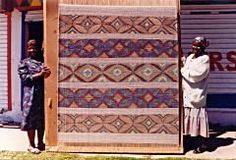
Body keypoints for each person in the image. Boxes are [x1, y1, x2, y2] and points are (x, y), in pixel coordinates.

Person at [18, 39, 51, 154]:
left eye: (34, 48)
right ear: (27, 49)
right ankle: (31, 145)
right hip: (30, 95)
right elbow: (25, 78)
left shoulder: (43, 62)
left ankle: (40, 143)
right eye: (30, 48)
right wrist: (40, 74)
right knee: (31, 120)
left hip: (42, 95)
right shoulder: (24, 63)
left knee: (41, 119)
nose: (32, 50)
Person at [181, 36, 210, 154]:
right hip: (188, 93)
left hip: (196, 93)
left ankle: (203, 144)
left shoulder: (205, 59)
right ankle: (192, 141)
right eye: (193, 46)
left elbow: (196, 75)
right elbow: (186, 64)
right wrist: (182, 60)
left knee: (198, 119)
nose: (195, 48)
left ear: (202, 48)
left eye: (198, 46)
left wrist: (182, 70)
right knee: (190, 118)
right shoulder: (191, 57)